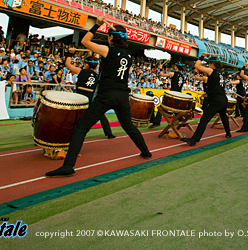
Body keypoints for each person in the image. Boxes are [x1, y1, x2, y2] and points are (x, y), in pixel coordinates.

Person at [46, 17, 152, 177]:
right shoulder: (129, 57)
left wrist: (97, 24)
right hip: (122, 95)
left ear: (111, 37)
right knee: (129, 126)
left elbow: (85, 40)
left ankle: (68, 165)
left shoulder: (107, 50)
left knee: (81, 127)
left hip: (106, 94)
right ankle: (146, 152)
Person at [64, 46, 115, 139]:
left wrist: (70, 53)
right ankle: (109, 133)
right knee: (100, 115)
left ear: (86, 65)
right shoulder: (97, 75)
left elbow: (67, 64)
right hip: (91, 98)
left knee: (75, 117)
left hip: (80, 97)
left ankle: (68, 133)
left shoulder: (81, 71)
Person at [181, 53, 231, 145]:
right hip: (223, 99)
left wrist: (202, 56)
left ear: (212, 64)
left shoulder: (211, 71)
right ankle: (228, 133)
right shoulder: (220, 74)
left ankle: (194, 139)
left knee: (204, 119)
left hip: (217, 100)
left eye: (209, 63)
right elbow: (216, 87)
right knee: (223, 117)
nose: (208, 65)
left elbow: (197, 66)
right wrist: (207, 93)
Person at [149, 61, 185, 128]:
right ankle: (182, 120)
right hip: (179, 94)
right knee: (175, 108)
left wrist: (160, 68)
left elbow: (161, 74)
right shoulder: (182, 76)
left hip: (172, 94)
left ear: (176, 67)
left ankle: (156, 122)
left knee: (161, 107)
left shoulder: (173, 73)